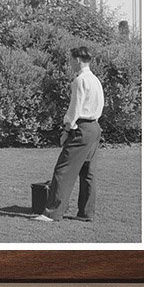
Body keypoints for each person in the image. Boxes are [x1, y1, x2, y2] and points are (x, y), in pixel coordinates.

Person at [33, 46, 104, 223]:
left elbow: (75, 108)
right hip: (95, 128)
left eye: (71, 59)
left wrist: (66, 130)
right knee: (88, 173)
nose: (70, 63)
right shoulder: (95, 80)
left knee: (63, 170)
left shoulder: (80, 80)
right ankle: (86, 213)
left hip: (82, 129)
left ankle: (51, 213)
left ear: (77, 60)